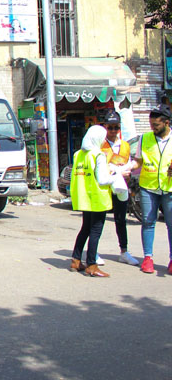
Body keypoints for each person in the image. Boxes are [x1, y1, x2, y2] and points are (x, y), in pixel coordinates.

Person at [132, 104, 172, 275]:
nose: (152, 128)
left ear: (166, 123)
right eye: (151, 124)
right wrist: (128, 168)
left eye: (156, 125)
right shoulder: (145, 138)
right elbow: (138, 161)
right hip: (148, 187)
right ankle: (148, 258)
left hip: (169, 188)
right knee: (148, 222)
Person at [69, 125, 113, 277]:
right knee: (95, 231)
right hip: (97, 198)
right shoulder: (98, 155)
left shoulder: (78, 154)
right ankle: (92, 265)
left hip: (83, 197)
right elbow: (102, 179)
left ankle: (76, 260)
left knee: (85, 229)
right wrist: (115, 176)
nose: (104, 141)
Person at [100, 111, 139, 266]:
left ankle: (124, 251)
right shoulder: (100, 144)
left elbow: (128, 164)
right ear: (105, 127)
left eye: (116, 127)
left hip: (120, 186)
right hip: (104, 186)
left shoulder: (125, 145)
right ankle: (93, 251)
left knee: (121, 219)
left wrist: (127, 174)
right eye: (110, 127)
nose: (113, 131)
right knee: (98, 220)